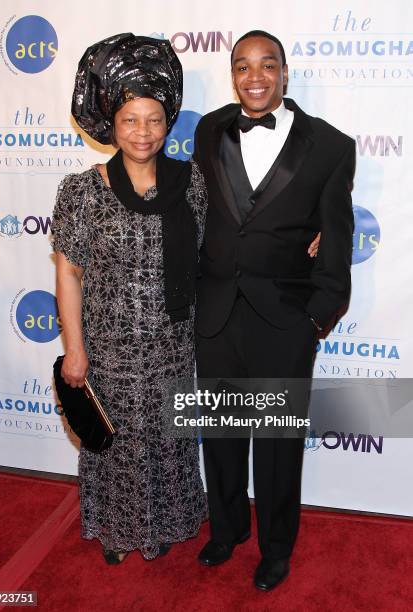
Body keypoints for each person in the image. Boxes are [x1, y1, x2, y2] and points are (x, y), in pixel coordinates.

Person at [193, 30, 355, 590]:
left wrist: (317, 316)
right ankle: (227, 527)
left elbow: (336, 237)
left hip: (285, 317)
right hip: (215, 312)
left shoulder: (332, 146)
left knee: (279, 444)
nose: (254, 76)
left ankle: (276, 546)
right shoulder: (208, 128)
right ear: (232, 74)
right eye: (242, 66)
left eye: (266, 65)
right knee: (220, 433)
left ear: (284, 72)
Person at [51, 34, 207, 564]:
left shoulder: (192, 185)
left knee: (167, 444)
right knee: (115, 446)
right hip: (109, 352)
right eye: (131, 120)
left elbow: (227, 246)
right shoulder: (81, 191)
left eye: (154, 119)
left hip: (172, 348)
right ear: (112, 126)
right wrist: (75, 349)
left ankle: (164, 524)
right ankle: (117, 531)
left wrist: (307, 234)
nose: (143, 132)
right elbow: (69, 275)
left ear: (169, 123)